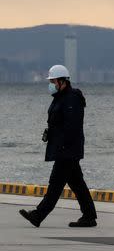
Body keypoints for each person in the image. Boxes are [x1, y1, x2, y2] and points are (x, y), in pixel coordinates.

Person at [19, 65, 98, 228]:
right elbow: (59, 122)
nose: (51, 84)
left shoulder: (71, 98)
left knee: (55, 184)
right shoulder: (60, 97)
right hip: (65, 149)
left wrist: (62, 146)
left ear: (62, 81)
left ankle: (38, 215)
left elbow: (72, 126)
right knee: (78, 184)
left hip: (67, 150)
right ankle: (89, 216)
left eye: (53, 81)